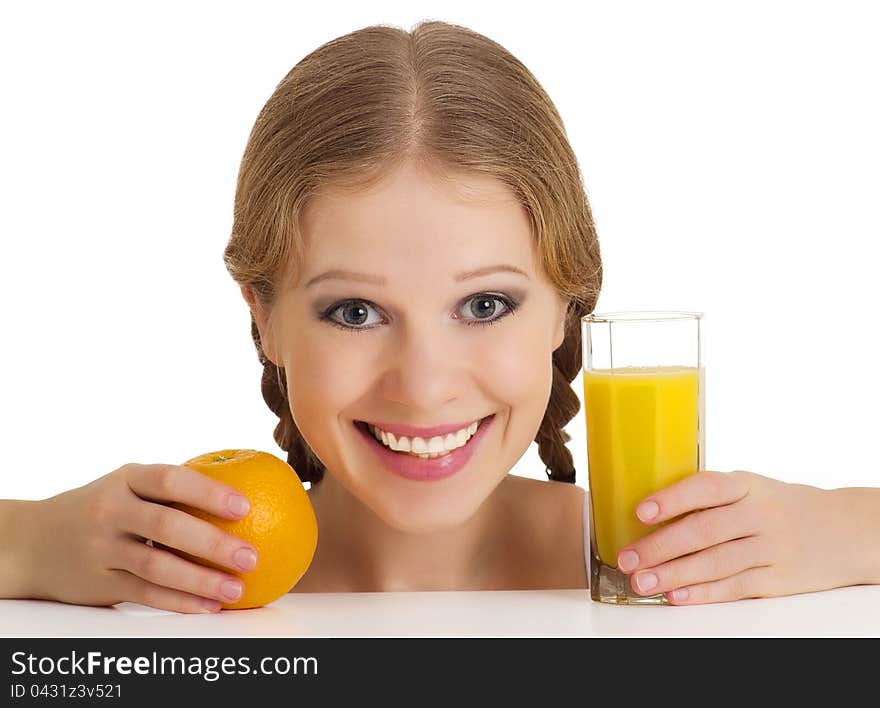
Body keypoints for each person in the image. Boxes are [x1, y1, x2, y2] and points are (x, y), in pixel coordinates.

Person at [1, 20, 878, 614]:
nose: (423, 386)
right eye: (354, 311)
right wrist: (23, 543)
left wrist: (849, 528)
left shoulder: (660, 565)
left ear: (566, 309)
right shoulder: (178, 574)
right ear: (261, 318)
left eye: (485, 304)